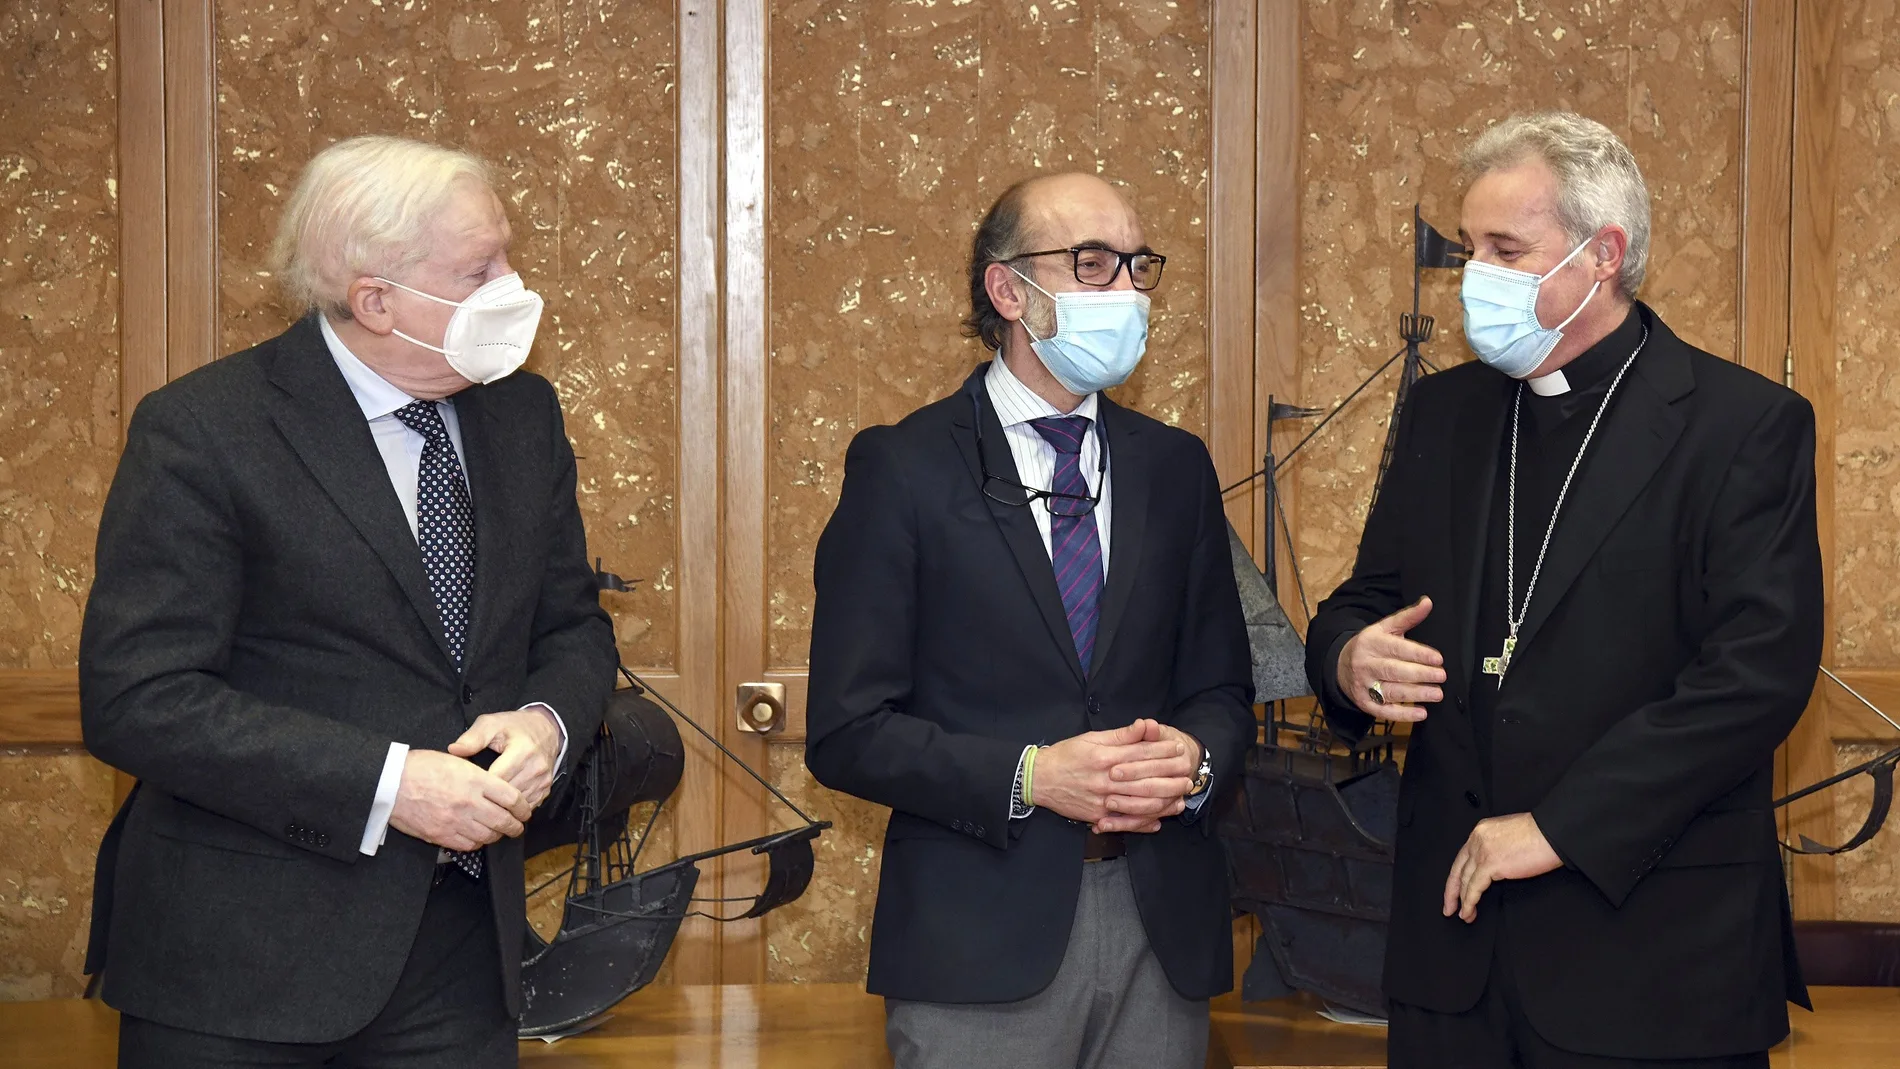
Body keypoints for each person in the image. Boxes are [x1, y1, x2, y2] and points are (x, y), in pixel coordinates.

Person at [80, 135, 619, 1067]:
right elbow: (139, 696)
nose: (514, 285)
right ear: (376, 300)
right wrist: (389, 784)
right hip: (241, 967)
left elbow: (569, 624)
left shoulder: (523, 416)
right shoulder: (206, 430)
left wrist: (546, 723)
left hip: (460, 959)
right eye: (478, 267)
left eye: (507, 254)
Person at [1306, 111, 1822, 1068]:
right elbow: (1364, 595)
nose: (1475, 276)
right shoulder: (1447, 412)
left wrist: (1560, 826)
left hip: (1652, 957)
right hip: (1452, 958)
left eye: (1506, 248)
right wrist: (1346, 655)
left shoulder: (1742, 425)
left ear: (1602, 255)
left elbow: (1757, 676)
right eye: (1468, 249)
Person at [806, 172, 1255, 1069]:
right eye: (1092, 264)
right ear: (1007, 289)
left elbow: (1223, 686)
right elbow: (848, 730)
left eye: (1137, 266)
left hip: (1158, 937)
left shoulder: (1175, 468)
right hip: (978, 944)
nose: (1125, 291)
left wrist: (1197, 759)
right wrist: (1031, 775)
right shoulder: (904, 469)